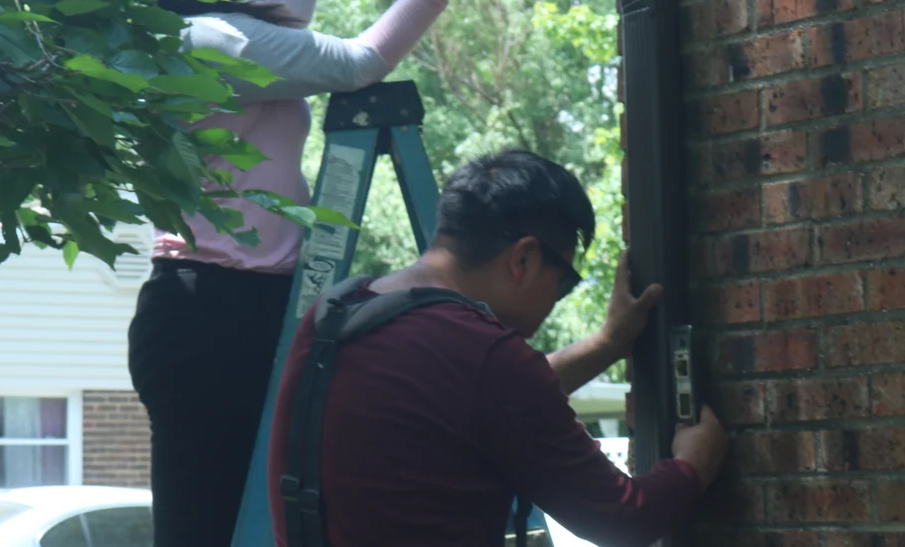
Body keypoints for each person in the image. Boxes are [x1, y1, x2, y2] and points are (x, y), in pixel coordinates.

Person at [125, 0, 533, 547]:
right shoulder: (206, 42)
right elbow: (358, 62)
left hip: (240, 306)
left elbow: (291, 7)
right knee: (210, 532)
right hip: (211, 311)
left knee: (267, 521)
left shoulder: (209, 29)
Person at [267, 149, 729, 547]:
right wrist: (693, 463)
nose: (555, 298)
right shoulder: (481, 354)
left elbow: (477, 401)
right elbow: (624, 519)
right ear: (523, 258)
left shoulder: (337, 313)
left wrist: (609, 344)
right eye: (563, 281)